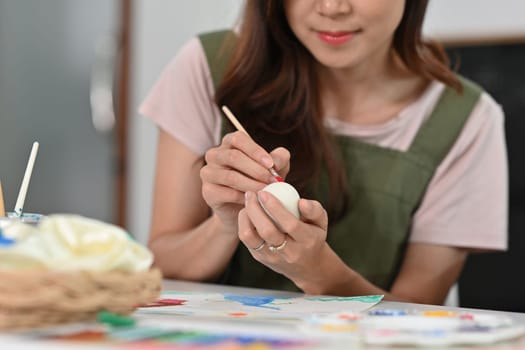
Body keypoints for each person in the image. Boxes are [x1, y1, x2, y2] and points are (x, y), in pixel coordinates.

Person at [139, 0, 507, 305]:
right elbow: (162, 270)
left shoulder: (466, 120)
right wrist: (224, 225)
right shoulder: (211, 67)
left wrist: (316, 270)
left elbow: (419, 313)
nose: (332, 7)